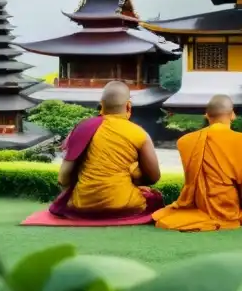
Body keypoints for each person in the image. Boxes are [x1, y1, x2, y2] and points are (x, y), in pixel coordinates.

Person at [49, 81, 163, 219]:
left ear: (101, 105)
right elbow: (154, 177)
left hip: (82, 205)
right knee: (154, 198)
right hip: (126, 204)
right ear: (128, 106)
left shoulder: (83, 128)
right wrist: (134, 176)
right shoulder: (139, 133)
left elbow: (63, 178)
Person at [153, 94, 242, 231]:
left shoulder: (187, 141)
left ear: (206, 115)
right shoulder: (240, 140)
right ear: (232, 115)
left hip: (198, 202)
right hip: (228, 204)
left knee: (167, 218)